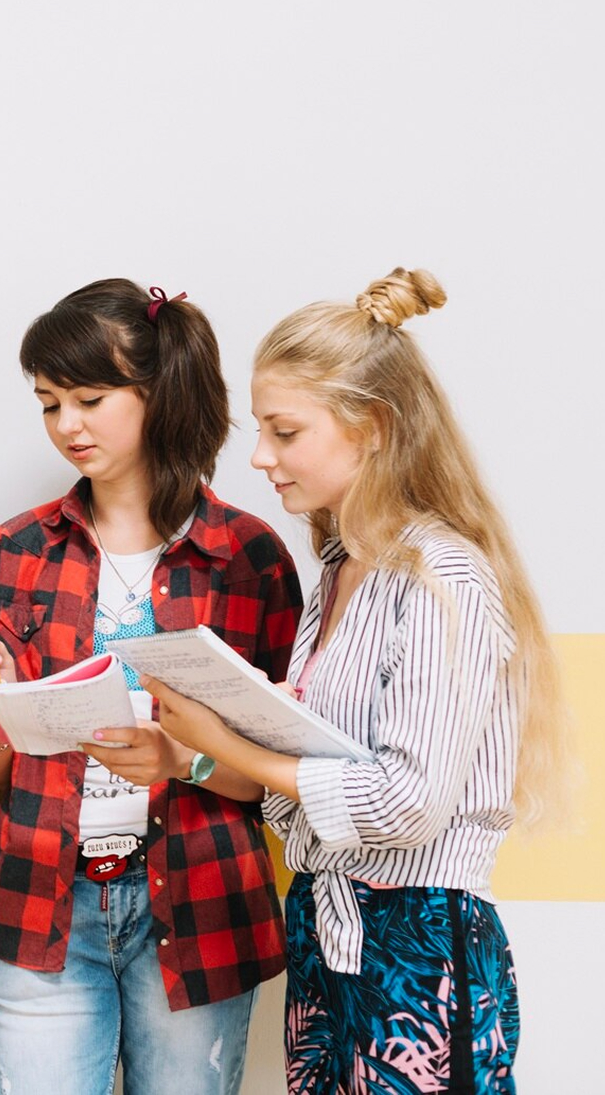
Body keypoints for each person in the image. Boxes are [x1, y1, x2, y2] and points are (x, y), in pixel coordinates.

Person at [148, 269, 573, 1094]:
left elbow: (407, 804)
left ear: (373, 427)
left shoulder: (444, 577)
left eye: (285, 432)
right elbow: (305, 801)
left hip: (419, 942)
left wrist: (234, 745)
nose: (261, 458)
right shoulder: (340, 570)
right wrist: (213, 747)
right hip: (323, 928)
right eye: (261, 432)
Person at [0, 281, 301, 1095]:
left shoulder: (249, 558)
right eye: (49, 404)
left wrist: (185, 759)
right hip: (42, 900)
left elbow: (284, 777)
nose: (66, 425)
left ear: (159, 391)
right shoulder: (18, 549)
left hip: (201, 904)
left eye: (89, 399)